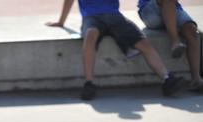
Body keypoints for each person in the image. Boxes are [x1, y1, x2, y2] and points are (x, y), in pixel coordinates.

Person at [46, 0, 185, 100]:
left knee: (143, 42)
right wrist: (61, 22)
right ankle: (89, 83)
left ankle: (167, 79)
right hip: (92, 18)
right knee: (90, 36)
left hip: (114, 16)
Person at [137, 0, 203, 92]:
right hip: (150, 11)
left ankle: (196, 78)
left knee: (192, 30)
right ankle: (175, 41)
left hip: (173, 8)